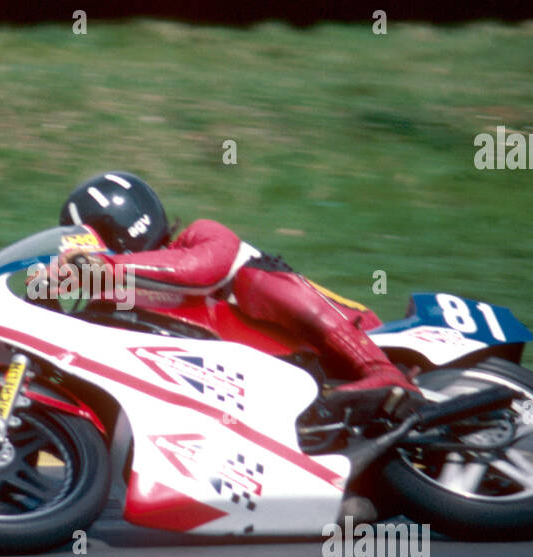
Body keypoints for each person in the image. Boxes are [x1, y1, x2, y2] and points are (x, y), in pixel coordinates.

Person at [57, 172, 421, 421]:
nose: (82, 250)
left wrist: (104, 269)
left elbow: (201, 268)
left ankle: (380, 371)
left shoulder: (199, 236)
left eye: (86, 240)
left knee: (251, 275)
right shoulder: (121, 299)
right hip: (266, 395)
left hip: (344, 343)